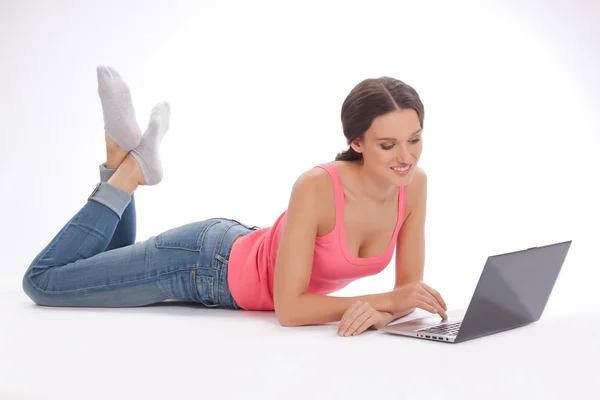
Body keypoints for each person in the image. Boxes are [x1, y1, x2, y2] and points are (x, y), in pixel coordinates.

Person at [22, 66, 448, 337]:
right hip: (202, 264)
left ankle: (119, 162)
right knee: (44, 282)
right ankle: (131, 173)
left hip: (238, 248)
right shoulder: (317, 186)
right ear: (356, 142)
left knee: (99, 271)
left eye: (414, 140)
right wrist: (381, 304)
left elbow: (406, 295)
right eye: (388, 145)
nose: (406, 157)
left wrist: (384, 310)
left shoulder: (415, 185)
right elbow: (291, 308)